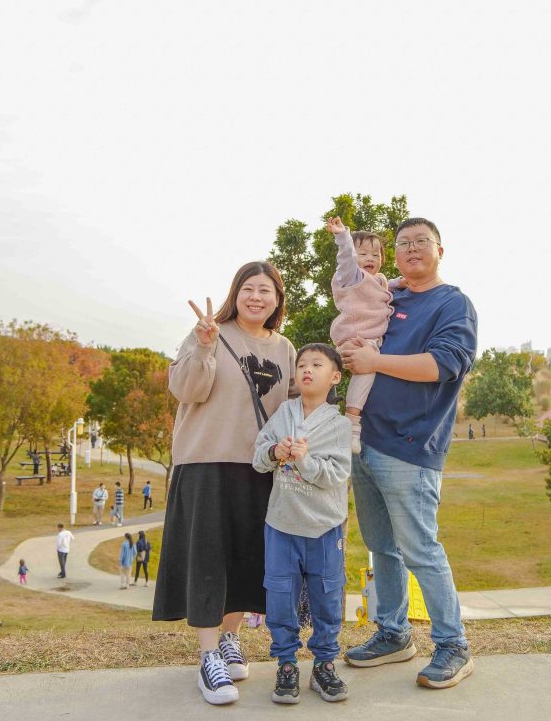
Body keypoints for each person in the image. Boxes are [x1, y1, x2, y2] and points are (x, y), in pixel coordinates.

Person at [338, 217, 478, 690]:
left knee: (420, 549)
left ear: (441, 249)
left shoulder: (451, 303)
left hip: (410, 448)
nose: (412, 249)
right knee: (382, 548)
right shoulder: (389, 295)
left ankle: (453, 644)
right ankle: (394, 633)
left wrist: (374, 361)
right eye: (403, 243)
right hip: (364, 440)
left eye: (422, 242)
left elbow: (443, 365)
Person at [152, 261, 296, 707]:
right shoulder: (208, 332)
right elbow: (186, 390)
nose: (257, 297)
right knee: (209, 558)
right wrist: (204, 347)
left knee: (244, 558)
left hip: (258, 466)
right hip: (206, 461)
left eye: (266, 290)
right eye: (249, 289)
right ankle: (208, 655)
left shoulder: (285, 347)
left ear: (277, 300)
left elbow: (291, 407)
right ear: (236, 293)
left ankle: (232, 637)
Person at [252, 342, 352, 704]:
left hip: (325, 528)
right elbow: (258, 457)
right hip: (281, 524)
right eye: (302, 365)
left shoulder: (339, 425)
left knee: (327, 595)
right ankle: (286, 663)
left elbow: (336, 474)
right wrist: (274, 452)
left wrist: (305, 461)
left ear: (335, 377)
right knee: (280, 594)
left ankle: (325, 663)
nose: (307, 370)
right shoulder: (283, 412)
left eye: (317, 364)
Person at [325, 216, 403, 455]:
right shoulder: (350, 276)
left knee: (370, 368)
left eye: (376, 254)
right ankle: (352, 421)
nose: (371, 258)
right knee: (367, 370)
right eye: (364, 253)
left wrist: (397, 282)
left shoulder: (376, 280)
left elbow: (380, 285)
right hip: (356, 336)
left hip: (369, 337)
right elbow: (346, 258)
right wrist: (342, 236)